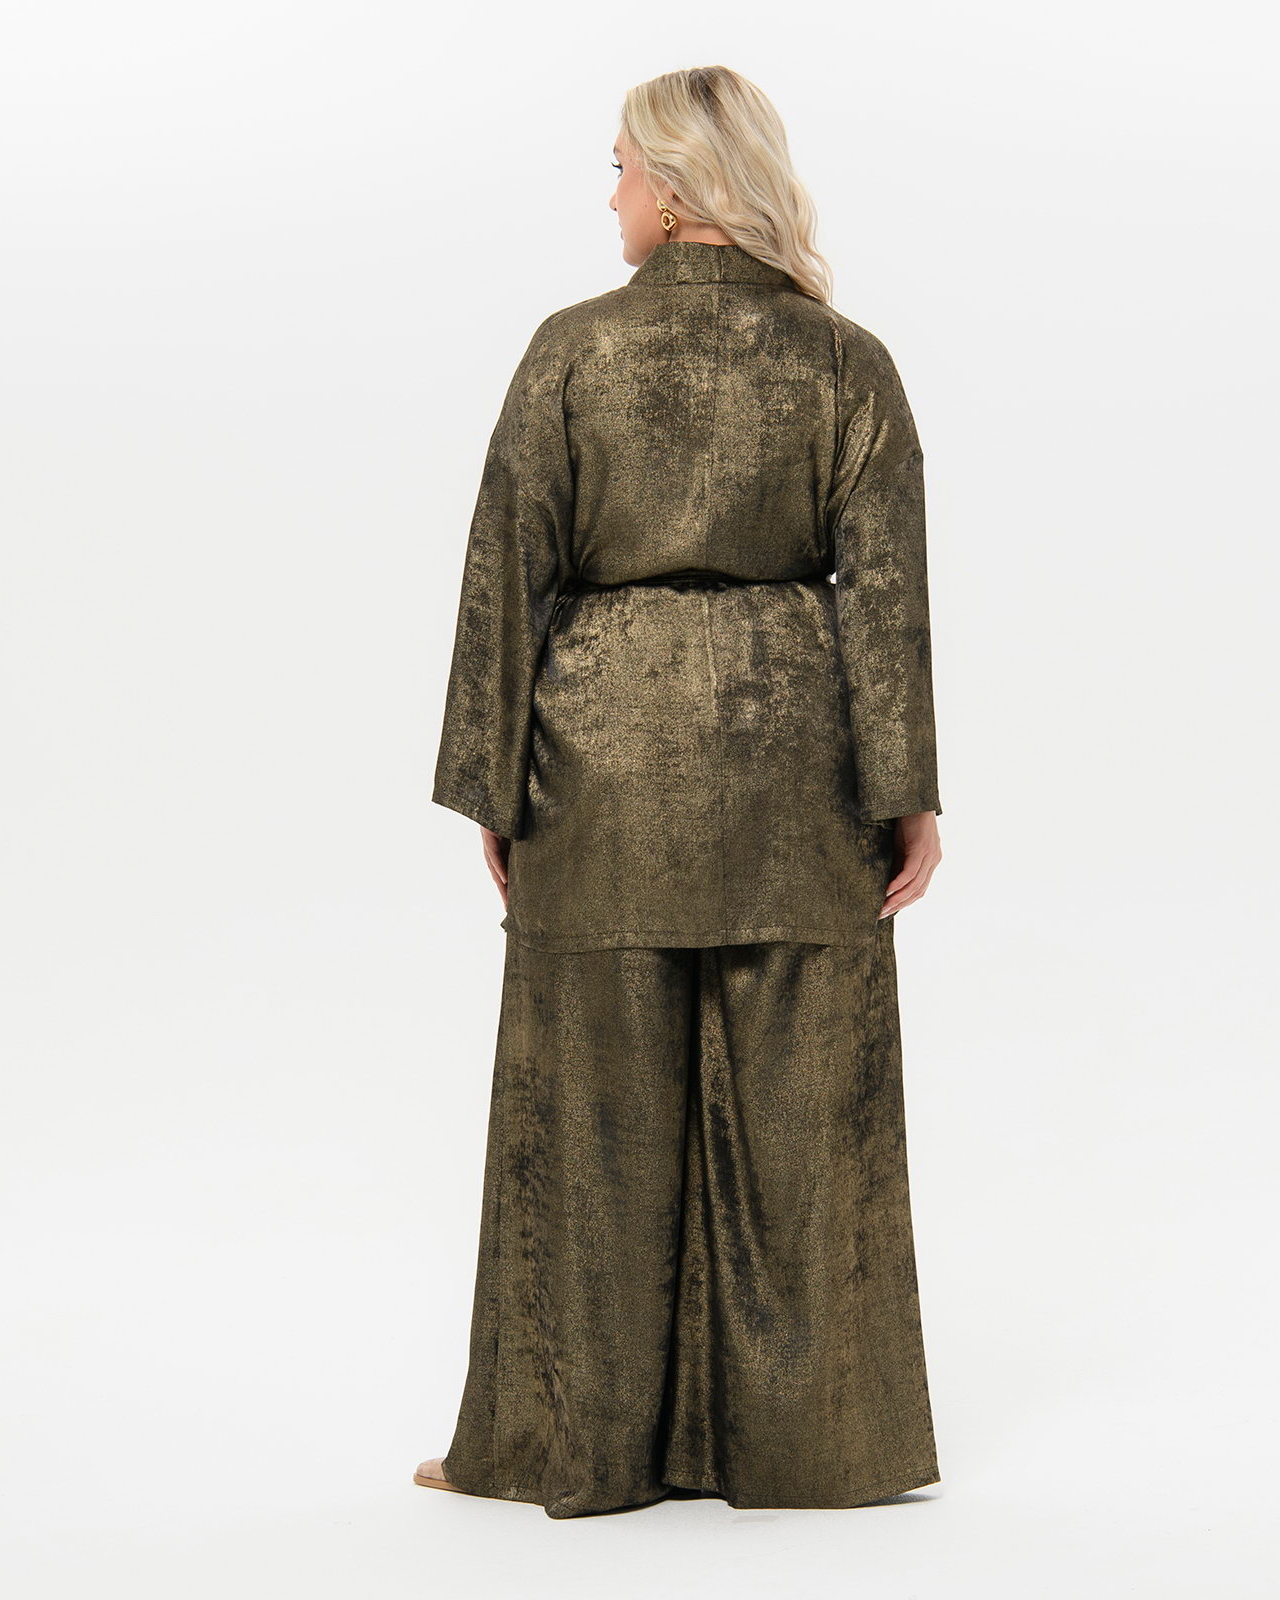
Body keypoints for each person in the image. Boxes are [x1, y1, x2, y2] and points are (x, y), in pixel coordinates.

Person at [414, 64, 944, 1519]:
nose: (612, 198)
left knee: (586, 1114)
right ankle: (815, 1446)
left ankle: (569, 1445)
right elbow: (884, 596)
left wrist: (493, 782)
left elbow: (507, 570)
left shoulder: (572, 351)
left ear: (675, 181)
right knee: (808, 1112)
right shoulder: (846, 362)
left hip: (603, 762)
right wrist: (906, 791)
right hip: (797, 767)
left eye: (620, 169)